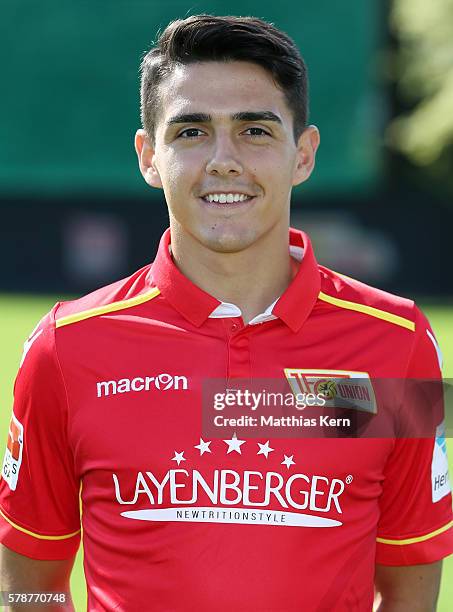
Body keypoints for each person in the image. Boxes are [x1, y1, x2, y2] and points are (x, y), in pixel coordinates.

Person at [0, 14, 452, 611]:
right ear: (148, 156)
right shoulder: (66, 348)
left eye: (255, 131)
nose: (223, 159)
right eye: (190, 132)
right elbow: (28, 584)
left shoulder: (399, 345)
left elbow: (410, 588)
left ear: (304, 154)